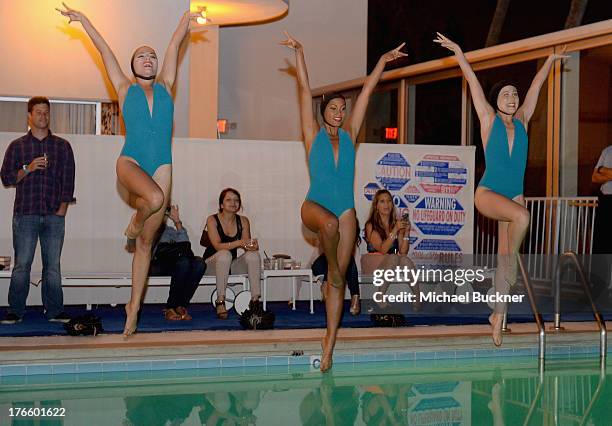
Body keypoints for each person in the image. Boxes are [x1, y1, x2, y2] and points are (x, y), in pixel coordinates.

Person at [57, 4, 201, 336]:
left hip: (162, 164)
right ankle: (134, 224)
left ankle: (132, 308)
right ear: (132, 66)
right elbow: (104, 50)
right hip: (131, 161)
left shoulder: (166, 84)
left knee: (146, 246)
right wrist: (86, 21)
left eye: (151, 55)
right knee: (152, 197)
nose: (149, 58)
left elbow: (175, 45)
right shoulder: (124, 88)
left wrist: (185, 19)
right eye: (141, 56)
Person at [281, 31, 407, 371]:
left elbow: (367, 93)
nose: (339, 112)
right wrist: (300, 53)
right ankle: (334, 269)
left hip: (345, 208)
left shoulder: (351, 134)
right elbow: (304, 91)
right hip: (315, 205)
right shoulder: (312, 135)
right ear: (323, 113)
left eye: (342, 108)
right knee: (331, 229)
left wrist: (382, 61)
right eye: (333, 108)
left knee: (337, 283)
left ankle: (329, 344)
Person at [435, 32, 568, 345]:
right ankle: (506, 286)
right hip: (488, 194)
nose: (512, 97)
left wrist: (549, 61)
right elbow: (473, 83)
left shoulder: (522, 119)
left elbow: (537, 87)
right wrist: (458, 52)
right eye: (506, 94)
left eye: (514, 93)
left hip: (514, 196)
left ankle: (497, 317)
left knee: (505, 260)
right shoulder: (488, 119)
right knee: (522, 219)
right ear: (496, 100)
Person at [0, 96, 75, 324]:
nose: (43, 117)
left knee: (52, 265)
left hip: (54, 215)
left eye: (46, 113)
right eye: (39, 113)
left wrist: (62, 209)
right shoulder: (17, 146)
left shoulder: (62, 146)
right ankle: (15, 311)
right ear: (29, 116)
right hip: (25, 214)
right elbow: (6, 178)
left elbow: (68, 179)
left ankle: (54, 311)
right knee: (22, 264)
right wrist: (28, 167)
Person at [201, 188, 262, 319]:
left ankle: (255, 300)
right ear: (221, 205)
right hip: (212, 264)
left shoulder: (243, 220)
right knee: (224, 254)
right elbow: (217, 245)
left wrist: (252, 246)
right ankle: (220, 301)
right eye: (228, 200)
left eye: (236, 200)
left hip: (231, 265)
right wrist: (240, 242)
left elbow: (246, 245)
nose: (233, 203)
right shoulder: (212, 219)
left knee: (253, 255)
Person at [362, 189, 420, 314]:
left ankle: (417, 296)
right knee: (393, 257)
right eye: (382, 201)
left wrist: (406, 232)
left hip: (391, 261)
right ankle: (380, 295)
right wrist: (395, 230)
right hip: (374, 261)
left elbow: (403, 251)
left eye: (389, 201)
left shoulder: (395, 224)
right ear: (376, 206)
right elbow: (382, 249)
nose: (386, 204)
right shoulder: (370, 225)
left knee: (405, 259)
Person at [149, 205, 206, 321]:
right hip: (157, 264)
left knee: (200, 263)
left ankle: (180, 305)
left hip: (177, 263)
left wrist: (177, 222)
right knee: (184, 262)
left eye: (165, 214)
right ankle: (170, 307)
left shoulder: (171, 230)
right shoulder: (148, 228)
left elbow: (186, 246)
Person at [310, 221, 362, 315]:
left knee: (347, 257)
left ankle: (354, 296)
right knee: (338, 255)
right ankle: (355, 295)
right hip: (321, 264)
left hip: (342, 267)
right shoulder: (327, 229)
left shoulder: (351, 242)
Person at [591, 145, 612, 254]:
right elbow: (594, 177)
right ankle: (602, 271)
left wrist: (603, 170)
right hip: (606, 201)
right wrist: (600, 170)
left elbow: (598, 173)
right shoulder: (607, 150)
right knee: (602, 243)